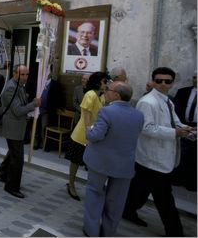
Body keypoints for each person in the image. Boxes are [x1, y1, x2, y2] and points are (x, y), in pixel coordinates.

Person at [123, 67, 192, 236]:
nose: (163, 84)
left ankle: (127, 210)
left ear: (172, 83)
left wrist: (187, 129)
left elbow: (174, 121)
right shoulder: (148, 102)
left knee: (140, 189)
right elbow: (147, 128)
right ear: (153, 81)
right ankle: (175, 232)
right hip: (152, 158)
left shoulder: (167, 101)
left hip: (156, 158)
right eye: (159, 80)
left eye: (167, 81)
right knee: (164, 198)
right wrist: (176, 132)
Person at [82, 81, 144, 237]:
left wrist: (88, 129)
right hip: (124, 164)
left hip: (101, 161)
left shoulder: (107, 111)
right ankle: (108, 232)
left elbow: (95, 136)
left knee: (94, 194)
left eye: (107, 90)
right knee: (116, 202)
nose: (105, 92)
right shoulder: (138, 115)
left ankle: (92, 230)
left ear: (116, 94)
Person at [0, 65, 40, 198]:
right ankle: (11, 186)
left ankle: (1, 172)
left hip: (18, 126)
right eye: (23, 75)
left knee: (13, 152)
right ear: (15, 74)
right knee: (17, 158)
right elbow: (18, 110)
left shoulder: (18, 85)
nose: (25, 77)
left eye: (27, 75)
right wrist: (33, 105)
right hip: (13, 127)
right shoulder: (11, 88)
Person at [65, 71, 108, 201]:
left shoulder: (101, 96)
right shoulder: (90, 95)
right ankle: (71, 184)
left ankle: (93, 188)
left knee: (90, 163)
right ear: (97, 82)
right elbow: (87, 118)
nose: (106, 84)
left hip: (93, 135)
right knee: (76, 161)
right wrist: (89, 135)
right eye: (104, 82)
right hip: (83, 135)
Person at [171, 72, 197, 191]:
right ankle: (177, 179)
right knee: (182, 153)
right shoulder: (183, 92)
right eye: (195, 77)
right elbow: (175, 111)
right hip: (184, 125)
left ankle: (192, 183)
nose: (196, 80)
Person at [36, 73, 61, 150]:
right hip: (37, 108)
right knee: (37, 126)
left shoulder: (55, 84)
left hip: (47, 110)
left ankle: (45, 144)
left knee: (44, 127)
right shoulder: (39, 82)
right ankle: (37, 143)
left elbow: (57, 97)